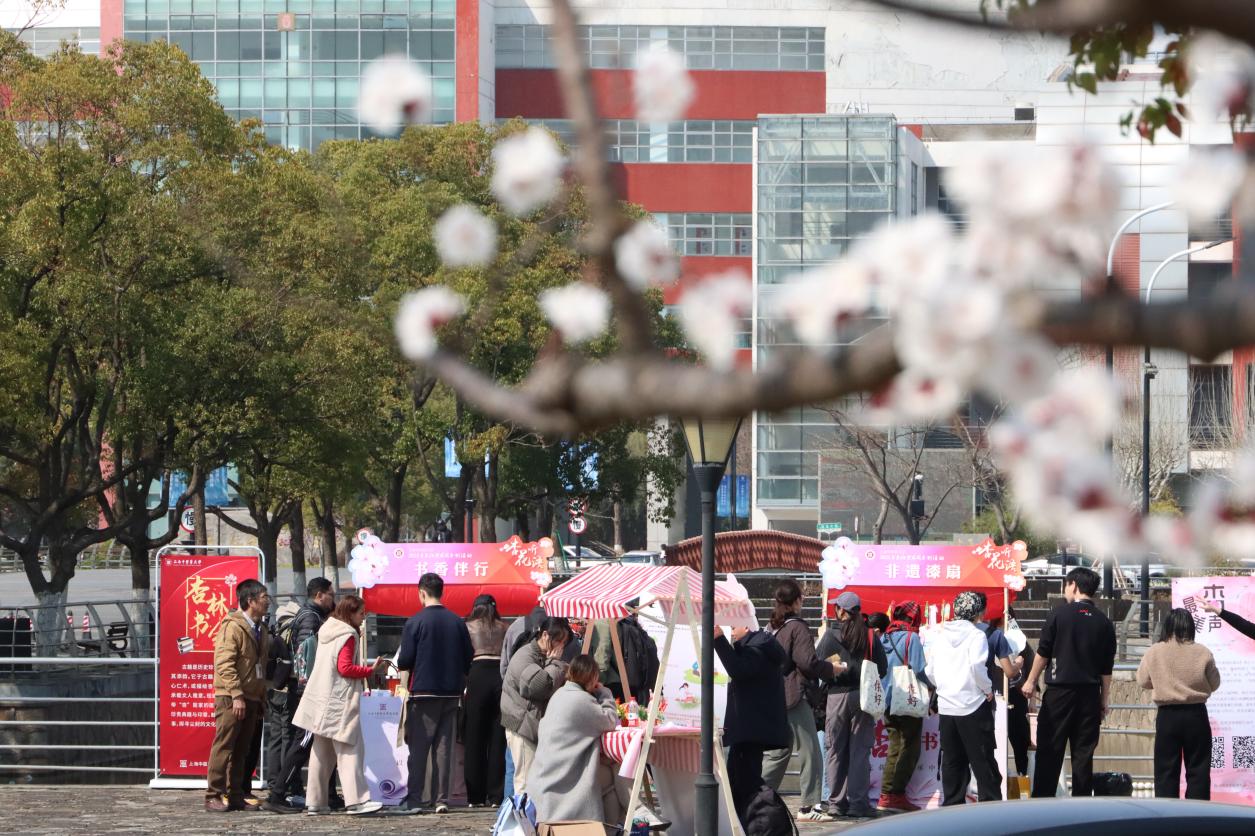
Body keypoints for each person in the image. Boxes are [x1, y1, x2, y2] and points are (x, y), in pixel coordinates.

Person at [1021, 567, 1116, 798]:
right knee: (1084, 754)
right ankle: (1082, 806)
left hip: (1059, 693)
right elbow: (1106, 668)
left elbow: (1043, 653)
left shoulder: (1058, 615)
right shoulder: (1104, 622)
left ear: (1073, 585)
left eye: (1066, 585)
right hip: (1090, 695)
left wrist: (1030, 681)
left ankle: (1042, 802)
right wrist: (1104, 700)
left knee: (1050, 750)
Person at [292, 595, 387, 816]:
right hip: (340, 701)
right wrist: (371, 670)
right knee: (350, 749)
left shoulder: (327, 630)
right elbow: (345, 668)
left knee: (321, 752)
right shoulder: (348, 634)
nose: (363, 618)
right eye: (361, 613)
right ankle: (356, 801)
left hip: (321, 699)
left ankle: (315, 802)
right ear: (350, 613)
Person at [395, 573, 474, 814]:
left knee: (419, 749)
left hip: (423, 692)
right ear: (442, 591)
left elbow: (404, 660)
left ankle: (415, 799)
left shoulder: (415, 622)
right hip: (451, 692)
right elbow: (468, 657)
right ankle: (441, 799)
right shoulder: (457, 622)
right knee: (444, 748)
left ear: (421, 592)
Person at [761, 580, 837, 823]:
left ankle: (755, 796)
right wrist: (832, 668)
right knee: (810, 751)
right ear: (796, 601)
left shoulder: (774, 627)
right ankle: (809, 806)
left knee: (779, 752)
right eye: (801, 597)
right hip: (796, 695)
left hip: (775, 696)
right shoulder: (797, 627)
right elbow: (807, 662)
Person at [263, 577, 336, 814]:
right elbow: (305, 655)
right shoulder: (310, 618)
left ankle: (326, 795)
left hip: (306, 690)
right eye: (331, 594)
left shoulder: (312, 616)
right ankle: (277, 794)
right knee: (302, 743)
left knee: (310, 743)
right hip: (307, 692)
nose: (333, 599)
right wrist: (310, 688)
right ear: (319, 595)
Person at [1136, 607, 1221, 800]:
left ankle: (1167, 813)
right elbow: (1215, 683)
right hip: (1196, 715)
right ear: (1190, 627)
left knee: (1166, 770)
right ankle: (1198, 813)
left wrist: (1161, 683)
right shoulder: (1203, 652)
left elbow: (1142, 680)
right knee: (1198, 769)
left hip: (1167, 716)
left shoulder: (1155, 651)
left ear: (1167, 626)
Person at [528, 655, 623, 826]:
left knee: (610, 779)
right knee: (616, 774)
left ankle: (614, 826)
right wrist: (604, 692)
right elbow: (610, 720)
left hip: (545, 774)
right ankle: (630, 816)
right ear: (593, 677)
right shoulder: (581, 700)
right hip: (562, 779)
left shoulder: (559, 694)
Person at [815, 591, 886, 819]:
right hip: (862, 698)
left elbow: (818, 666)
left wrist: (837, 669)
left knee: (835, 750)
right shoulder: (869, 635)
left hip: (836, 697)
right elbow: (882, 668)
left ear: (841, 611)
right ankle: (858, 804)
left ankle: (836, 803)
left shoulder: (830, 635)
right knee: (860, 752)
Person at [927, 591, 1002, 806]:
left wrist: (944, 687)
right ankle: (991, 806)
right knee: (982, 759)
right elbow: (977, 666)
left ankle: (953, 807)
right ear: (977, 613)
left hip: (947, 706)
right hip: (973, 704)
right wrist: (987, 689)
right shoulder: (976, 635)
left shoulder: (940, 635)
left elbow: (930, 670)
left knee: (952, 761)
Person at [713, 622, 790, 828]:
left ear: (746, 626)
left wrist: (719, 640)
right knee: (738, 779)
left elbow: (738, 670)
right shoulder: (758, 645)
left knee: (745, 780)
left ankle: (751, 823)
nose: (731, 631)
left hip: (751, 728)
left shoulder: (758, 647)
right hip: (750, 728)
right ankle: (742, 823)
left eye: (733, 627)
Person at [206, 579, 271, 813]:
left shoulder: (261, 629)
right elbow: (224, 663)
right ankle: (213, 794)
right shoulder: (232, 626)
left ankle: (235, 794)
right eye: (264, 597)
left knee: (242, 749)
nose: (268, 602)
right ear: (250, 601)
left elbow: (259, 667)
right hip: (231, 697)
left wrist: (260, 697)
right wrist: (236, 694)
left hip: (252, 696)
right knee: (224, 745)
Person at [501, 616, 573, 795]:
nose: (561, 647)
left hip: (530, 724)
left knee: (528, 779)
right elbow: (538, 687)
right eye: (559, 641)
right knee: (525, 782)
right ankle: (520, 813)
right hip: (523, 724)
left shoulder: (542, 656)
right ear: (545, 635)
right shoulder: (525, 656)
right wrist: (555, 663)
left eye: (564, 643)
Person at [877, 601, 932, 813]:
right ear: (912, 618)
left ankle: (886, 794)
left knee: (894, 746)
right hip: (907, 699)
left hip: (887, 698)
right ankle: (896, 794)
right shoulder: (912, 637)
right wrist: (931, 686)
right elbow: (919, 669)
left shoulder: (885, 636)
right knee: (909, 747)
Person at [463, 594, 508, 808]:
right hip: (499, 675)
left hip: (477, 673)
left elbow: (463, 656)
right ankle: (496, 795)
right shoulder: (505, 627)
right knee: (498, 737)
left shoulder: (468, 626)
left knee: (474, 737)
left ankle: (475, 796)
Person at [989, 608, 1035, 777]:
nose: (1007, 619)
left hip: (1017, 696)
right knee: (994, 739)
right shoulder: (989, 636)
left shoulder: (1019, 639)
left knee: (1020, 740)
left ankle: (1023, 777)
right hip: (994, 695)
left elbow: (1031, 668)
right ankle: (996, 779)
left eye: (1009, 617)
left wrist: (1032, 700)